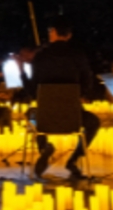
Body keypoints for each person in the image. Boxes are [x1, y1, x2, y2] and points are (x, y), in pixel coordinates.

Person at [26, 16, 100, 180]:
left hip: (45, 117)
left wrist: (22, 73)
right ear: (69, 36)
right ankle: (74, 160)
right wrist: (80, 95)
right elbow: (87, 81)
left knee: (31, 114)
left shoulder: (40, 57)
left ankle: (45, 147)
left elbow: (32, 91)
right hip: (73, 117)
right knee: (94, 122)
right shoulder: (78, 56)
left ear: (52, 33)